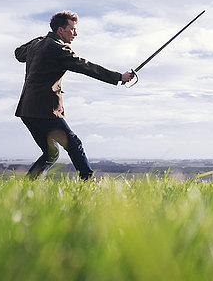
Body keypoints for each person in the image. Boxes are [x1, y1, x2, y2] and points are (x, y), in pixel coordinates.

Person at [15, 11, 134, 180]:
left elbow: (19, 53)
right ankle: (88, 182)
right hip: (44, 109)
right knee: (74, 144)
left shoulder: (38, 44)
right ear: (61, 30)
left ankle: (28, 183)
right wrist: (118, 77)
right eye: (72, 29)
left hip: (26, 110)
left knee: (51, 153)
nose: (75, 33)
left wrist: (41, 38)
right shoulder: (58, 48)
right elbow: (84, 66)